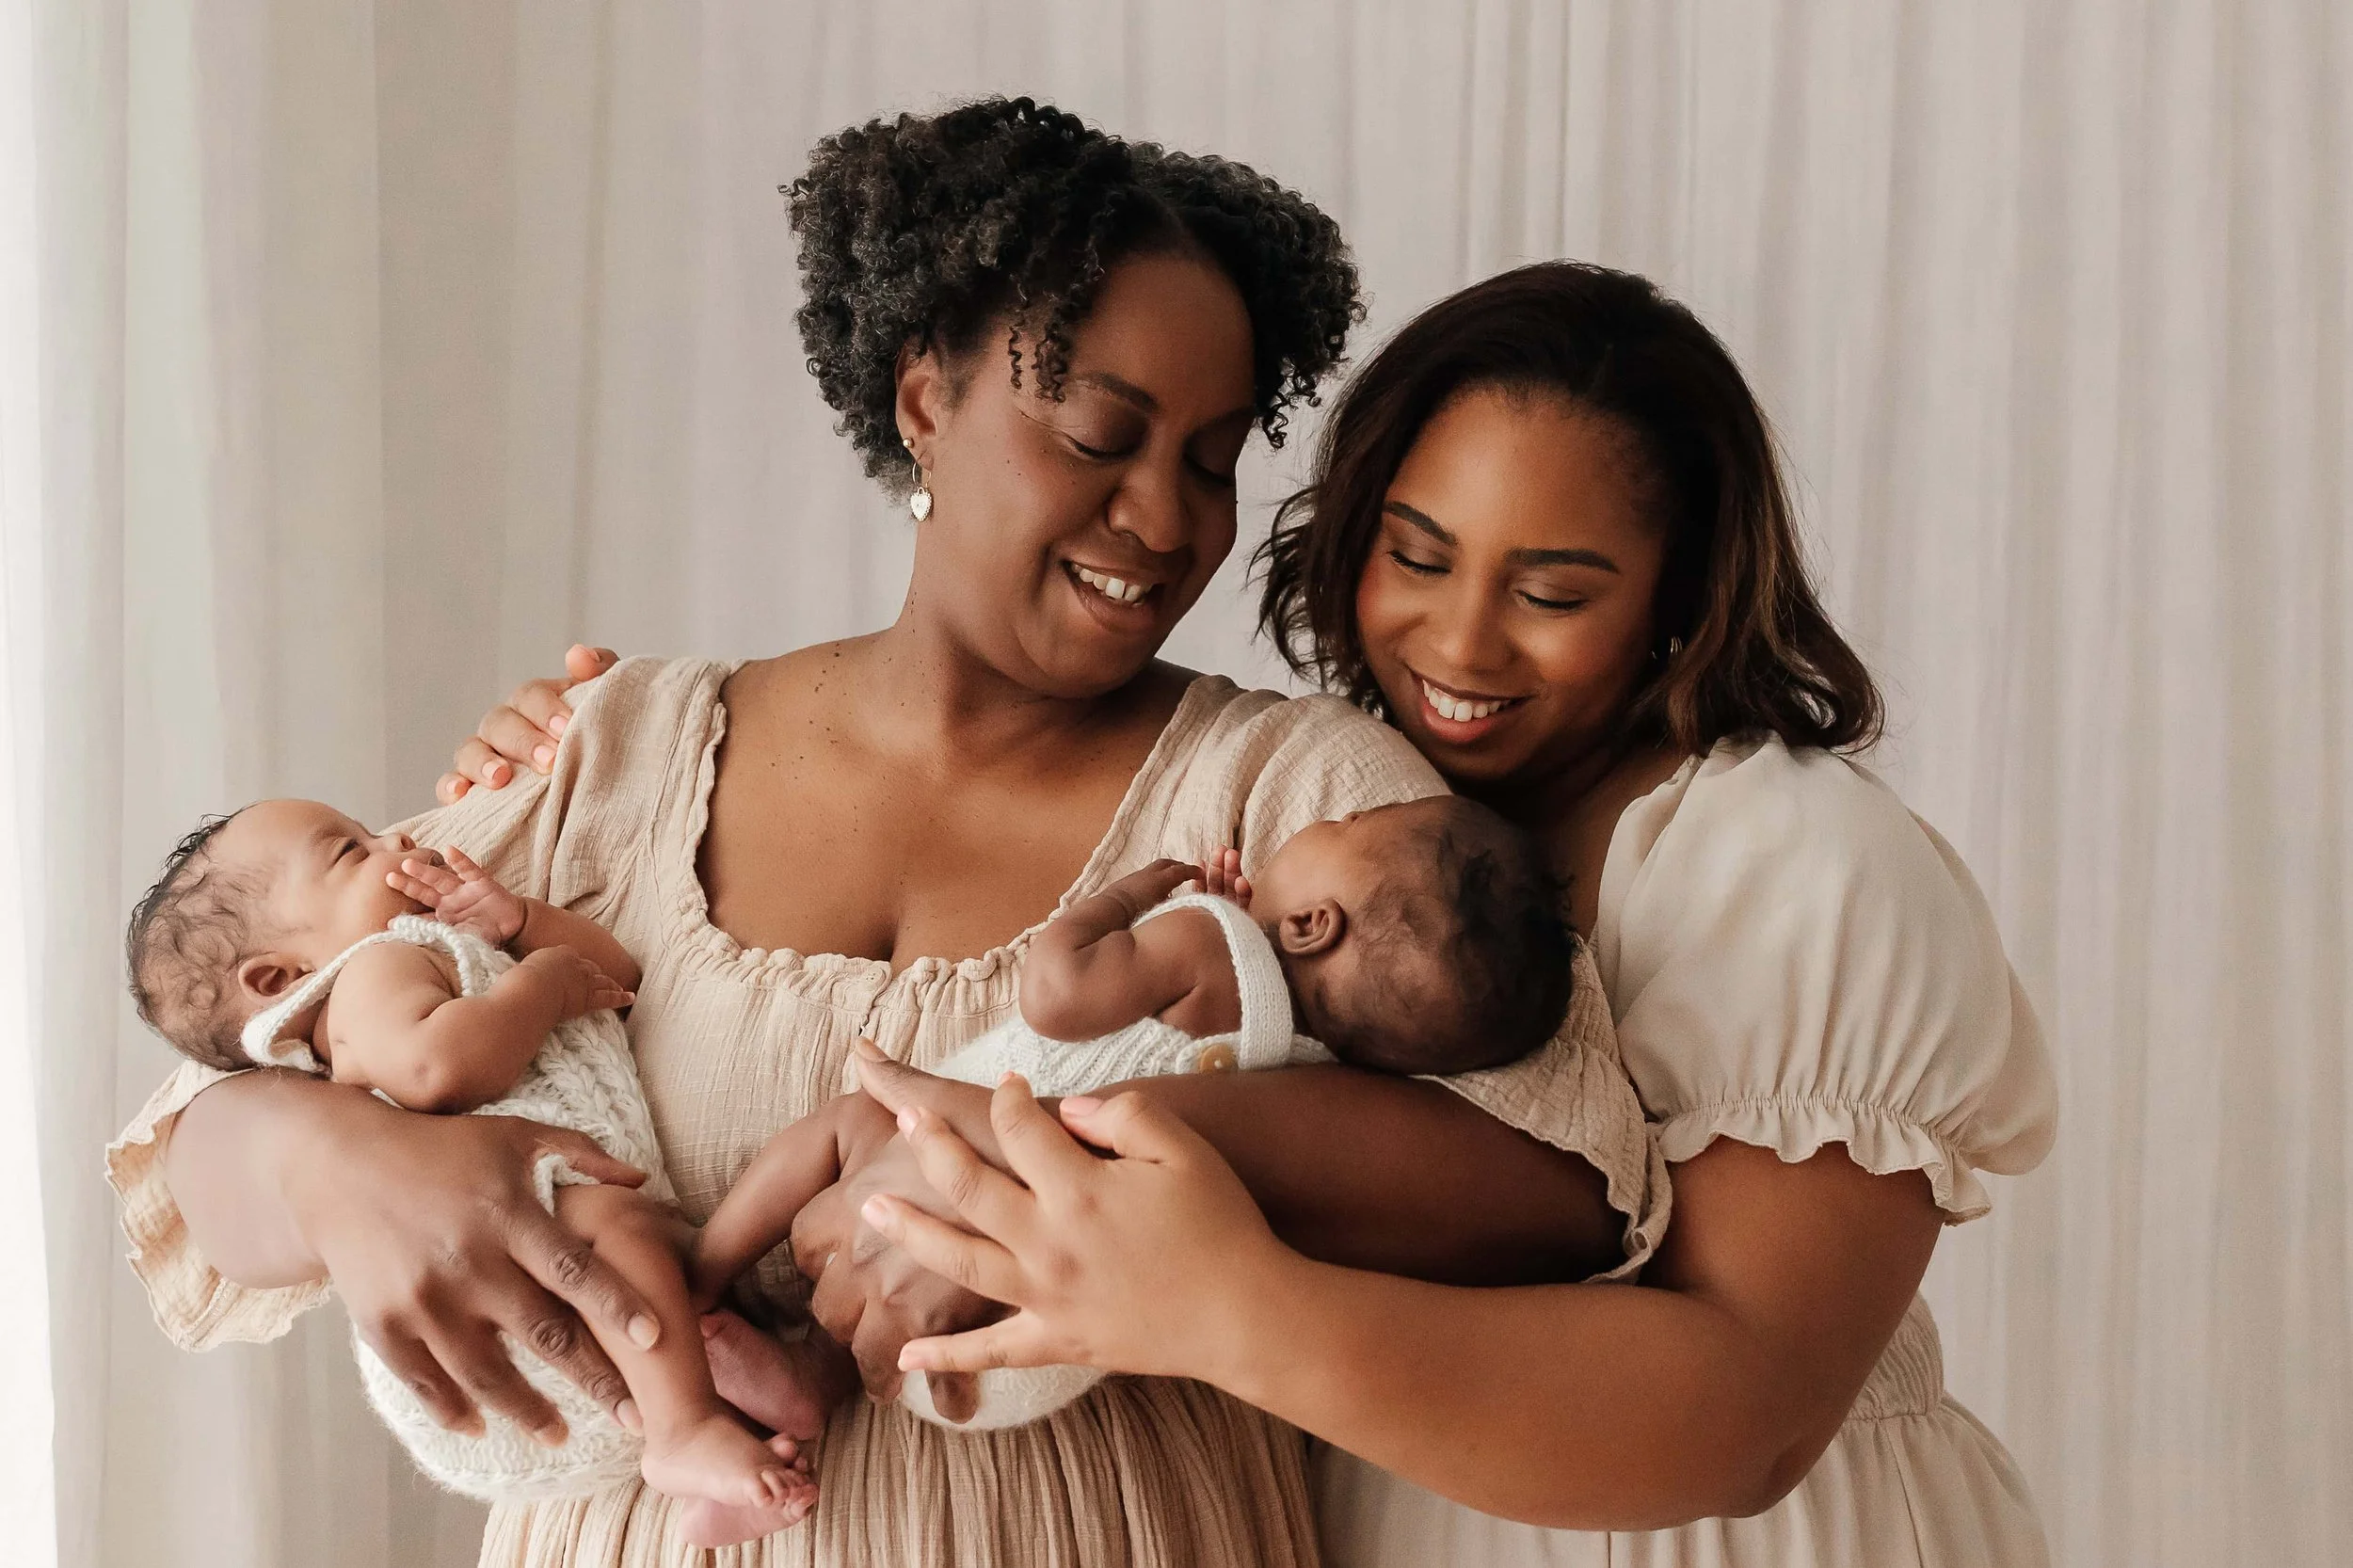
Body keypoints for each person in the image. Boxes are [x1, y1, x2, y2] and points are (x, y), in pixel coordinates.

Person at [104, 103, 1660, 1565]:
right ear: (927, 398)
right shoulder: (616, 751)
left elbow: (1562, 1183)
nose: (1170, 520)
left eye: (1209, 456)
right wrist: (325, 1162)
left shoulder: (1287, 794)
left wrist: (1029, 1168)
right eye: (1102, 434)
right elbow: (200, 1136)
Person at [844, 262, 2061, 1568]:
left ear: (1677, 599)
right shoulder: (1337, 823)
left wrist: (1220, 1303)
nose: (1463, 645)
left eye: (1552, 596)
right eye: (1416, 556)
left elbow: (1750, 1422)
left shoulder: (1801, 871)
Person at [690, 798, 1576, 1434]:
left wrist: (1135, 900)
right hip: (1038, 1343)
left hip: (945, 1177)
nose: (1318, 823)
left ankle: (703, 1269)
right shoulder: (1320, 1077)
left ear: (1310, 924)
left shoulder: (1204, 943)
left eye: (1341, 827)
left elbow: (1054, 995)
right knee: (877, 1340)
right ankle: (809, 1382)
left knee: (853, 1114)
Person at [123, 802, 813, 1524]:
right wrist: (540, 984)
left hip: (546, 1237)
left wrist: (522, 927)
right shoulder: (367, 975)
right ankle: (682, 1432)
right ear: (277, 977)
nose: (398, 838)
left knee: (674, 1255)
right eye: (351, 853)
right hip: (529, 1222)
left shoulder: (425, 947)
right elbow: (438, 1068)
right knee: (626, 1231)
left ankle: (732, 1460)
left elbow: (613, 979)